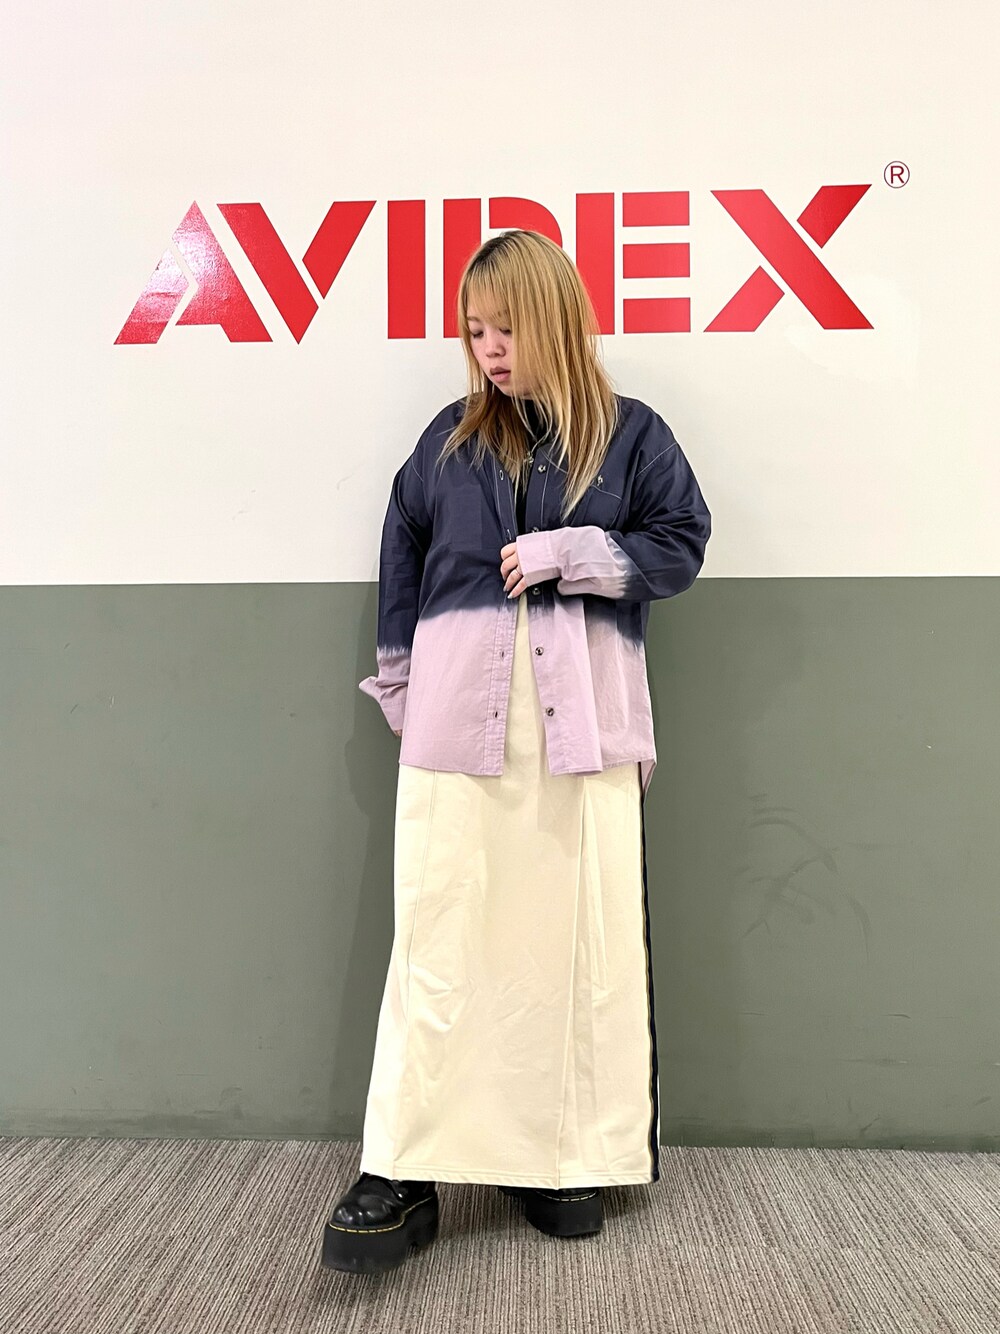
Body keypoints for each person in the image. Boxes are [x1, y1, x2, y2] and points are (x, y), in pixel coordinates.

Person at [321, 229, 711, 1275]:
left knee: (575, 948)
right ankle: (402, 1166)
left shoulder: (632, 435)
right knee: (441, 942)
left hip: (583, 730)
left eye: (506, 327)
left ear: (557, 320)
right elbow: (401, 558)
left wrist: (569, 553)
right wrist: (404, 686)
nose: (489, 349)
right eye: (475, 331)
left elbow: (680, 542)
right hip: (459, 723)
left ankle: (561, 1158)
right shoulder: (447, 442)